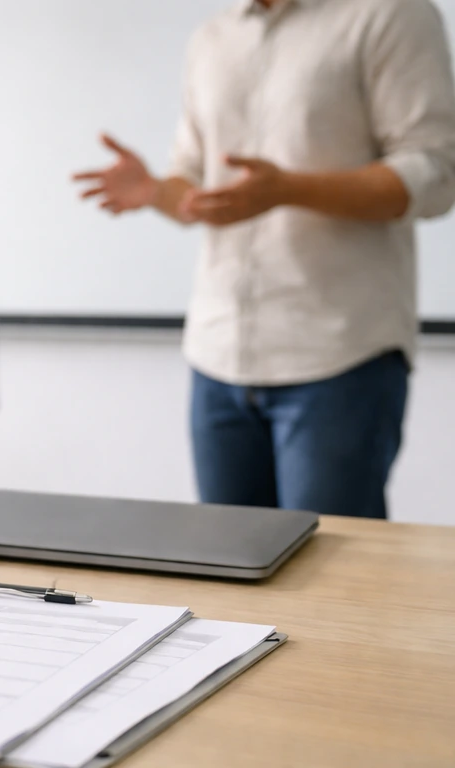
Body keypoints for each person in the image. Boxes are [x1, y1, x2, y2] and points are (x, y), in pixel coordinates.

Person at [72, 0, 455, 519]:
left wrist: (288, 190)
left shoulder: (390, 14)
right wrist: (157, 191)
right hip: (217, 355)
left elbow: (434, 173)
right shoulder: (212, 39)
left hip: (339, 355)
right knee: (231, 577)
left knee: (328, 585)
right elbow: (194, 183)